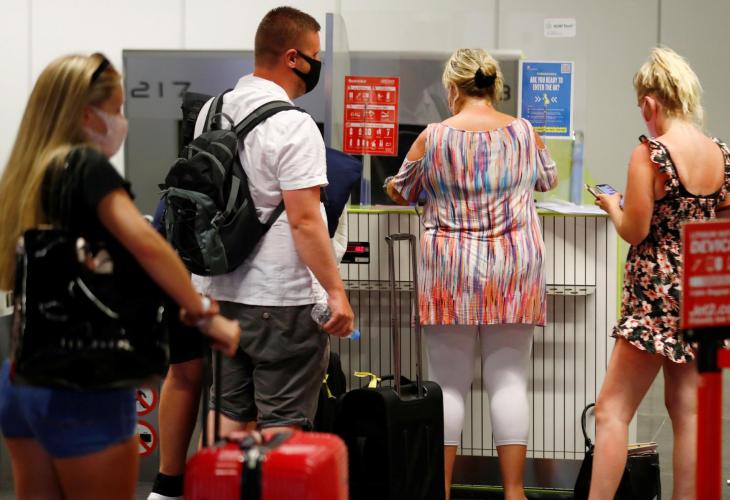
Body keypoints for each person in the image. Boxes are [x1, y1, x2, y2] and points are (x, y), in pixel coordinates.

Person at [0, 53, 241, 500]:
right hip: (85, 385)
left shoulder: (30, 173)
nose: (122, 121)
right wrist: (205, 314)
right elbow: (147, 244)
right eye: (117, 110)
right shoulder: (85, 166)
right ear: (86, 116)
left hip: (24, 382)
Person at [149, 8, 355, 499]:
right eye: (316, 56)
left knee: (226, 421)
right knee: (281, 429)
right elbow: (306, 221)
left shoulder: (210, 110)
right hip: (281, 301)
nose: (319, 65)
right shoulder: (295, 125)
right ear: (293, 58)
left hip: (218, 292)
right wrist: (335, 292)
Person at [385, 48, 558, 500]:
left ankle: (441, 490)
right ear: (494, 86)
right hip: (514, 268)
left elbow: (401, 190)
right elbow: (548, 179)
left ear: (452, 89)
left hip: (451, 270)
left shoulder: (433, 137)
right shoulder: (525, 132)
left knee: (448, 386)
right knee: (509, 380)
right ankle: (515, 492)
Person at [589, 47, 730, 500]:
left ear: (651, 102)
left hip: (655, 296)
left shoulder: (650, 154)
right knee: (690, 414)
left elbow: (635, 230)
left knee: (612, 411)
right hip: (702, 289)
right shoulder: (721, 154)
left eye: (641, 106)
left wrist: (613, 205)